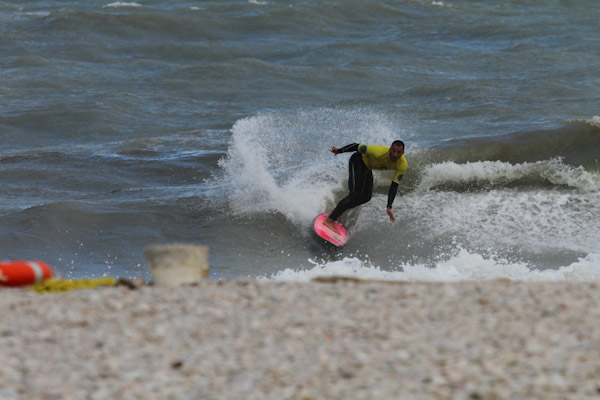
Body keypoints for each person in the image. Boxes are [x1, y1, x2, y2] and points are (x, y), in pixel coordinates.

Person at [324, 140, 407, 234]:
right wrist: (339, 151)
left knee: (366, 197)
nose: (395, 155)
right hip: (357, 160)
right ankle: (329, 220)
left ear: (402, 153)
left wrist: (389, 206)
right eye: (394, 151)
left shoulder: (402, 165)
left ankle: (336, 212)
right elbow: (357, 146)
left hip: (367, 167)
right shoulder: (378, 151)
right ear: (390, 149)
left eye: (398, 152)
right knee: (354, 194)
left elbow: (394, 186)